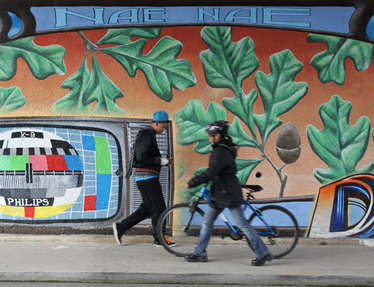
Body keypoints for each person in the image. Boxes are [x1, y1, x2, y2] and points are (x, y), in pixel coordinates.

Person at [184, 120, 273, 266]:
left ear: (220, 135)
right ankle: (200, 253)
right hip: (221, 192)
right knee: (207, 221)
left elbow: (212, 172)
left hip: (228, 193)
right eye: (210, 135)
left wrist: (193, 182)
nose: (210, 138)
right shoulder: (222, 149)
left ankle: (263, 253)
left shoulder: (221, 152)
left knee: (242, 224)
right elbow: (216, 172)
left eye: (213, 135)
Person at [112, 110, 175, 247]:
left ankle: (121, 227)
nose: (163, 130)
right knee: (160, 207)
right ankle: (160, 238)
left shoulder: (149, 135)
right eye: (163, 127)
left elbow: (144, 156)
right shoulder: (146, 134)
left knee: (147, 208)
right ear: (156, 123)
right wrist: (160, 161)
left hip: (145, 178)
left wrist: (162, 161)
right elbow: (142, 157)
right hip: (147, 178)